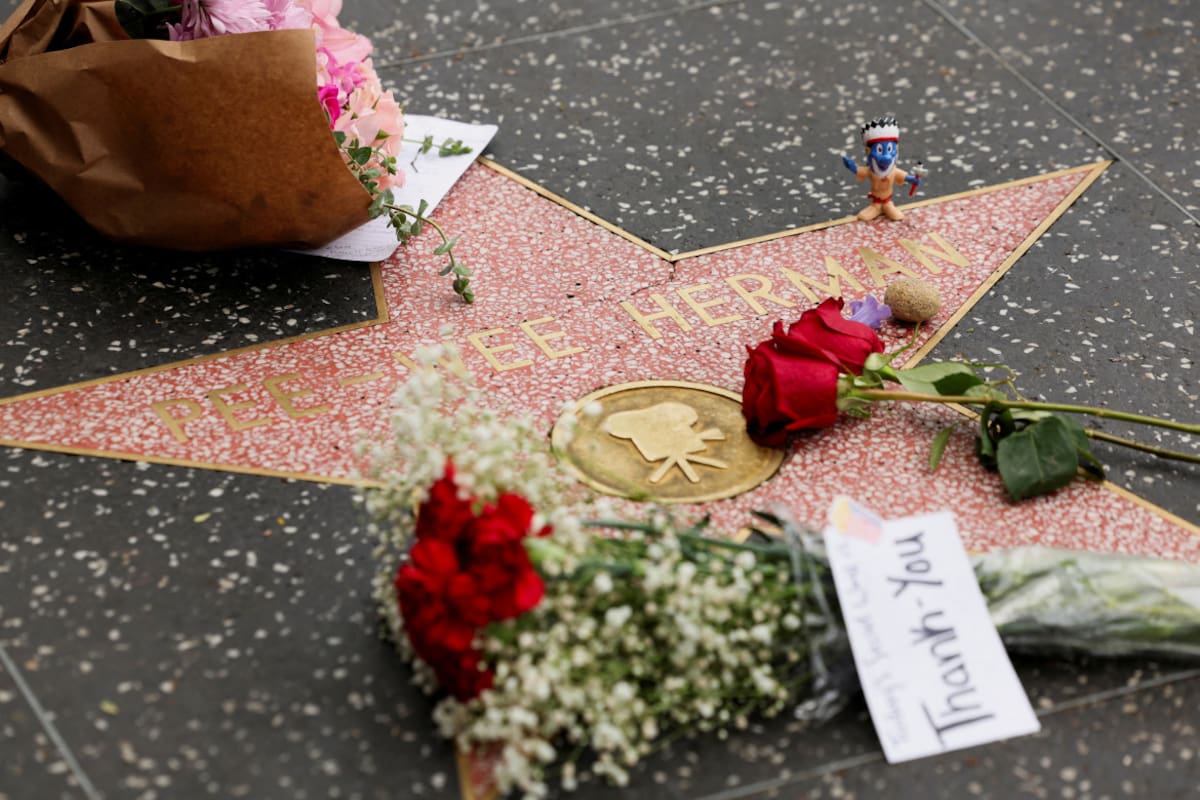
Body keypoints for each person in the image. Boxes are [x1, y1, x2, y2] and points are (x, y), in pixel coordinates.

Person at [842, 116, 921, 221]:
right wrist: (852, 166)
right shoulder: (871, 171)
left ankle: (888, 206)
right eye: (879, 150)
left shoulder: (893, 171)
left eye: (889, 150)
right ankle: (876, 207)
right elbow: (860, 171)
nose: (886, 157)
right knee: (869, 212)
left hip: (887, 199)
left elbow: (903, 176)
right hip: (876, 200)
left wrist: (912, 179)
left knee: (892, 209)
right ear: (868, 152)